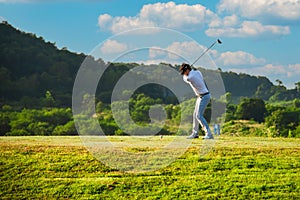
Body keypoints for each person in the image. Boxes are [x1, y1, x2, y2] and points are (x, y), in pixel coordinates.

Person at [179, 63, 214, 139]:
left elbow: (185, 78)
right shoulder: (198, 72)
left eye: (184, 72)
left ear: (187, 70)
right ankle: (195, 133)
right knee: (195, 115)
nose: (184, 74)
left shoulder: (190, 77)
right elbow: (192, 73)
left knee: (199, 115)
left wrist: (187, 72)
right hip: (200, 96)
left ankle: (209, 133)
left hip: (204, 96)